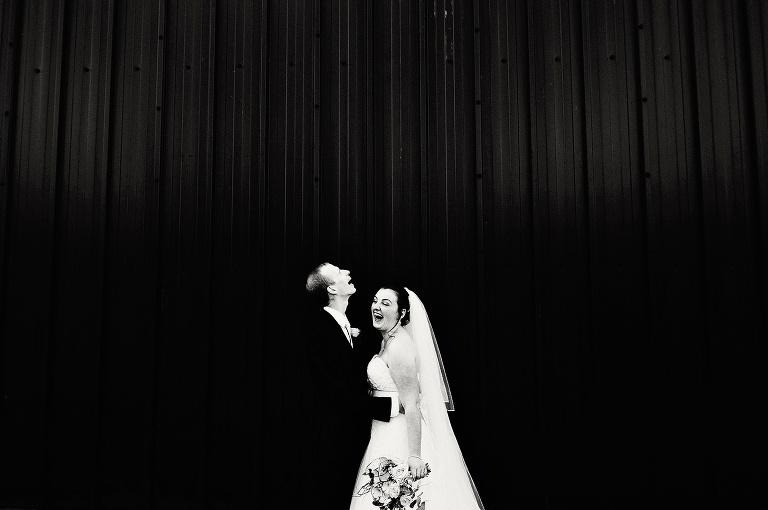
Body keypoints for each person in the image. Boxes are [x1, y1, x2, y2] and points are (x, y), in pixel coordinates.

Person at [349, 285, 485, 510]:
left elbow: (412, 404)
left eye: (386, 303)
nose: (377, 306)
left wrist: (413, 455)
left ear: (402, 314)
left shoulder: (400, 348)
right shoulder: (387, 341)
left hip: (399, 435)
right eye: (375, 300)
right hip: (382, 428)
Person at [303, 263, 402, 510]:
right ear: (333, 288)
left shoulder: (343, 326)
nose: (347, 273)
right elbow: (339, 397)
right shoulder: (322, 333)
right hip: (335, 449)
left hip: (356, 442)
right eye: (339, 272)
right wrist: (392, 405)